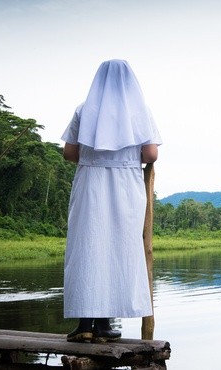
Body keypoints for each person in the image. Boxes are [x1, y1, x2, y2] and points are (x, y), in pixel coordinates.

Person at [61, 59, 162, 343]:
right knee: (118, 247)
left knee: (87, 246)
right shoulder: (141, 112)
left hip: (90, 183)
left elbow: (69, 153)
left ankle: (85, 325)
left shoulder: (84, 109)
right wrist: (125, 157)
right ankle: (105, 325)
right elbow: (151, 155)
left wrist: (96, 157)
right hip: (125, 186)